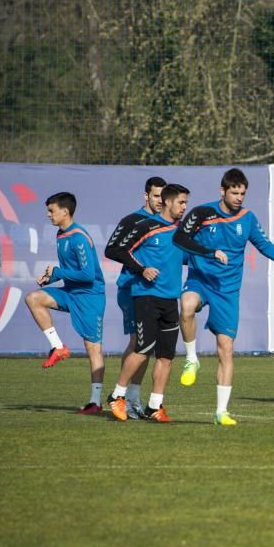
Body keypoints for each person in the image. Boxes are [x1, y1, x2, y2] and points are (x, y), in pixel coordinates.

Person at [175, 168, 274, 426]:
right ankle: (191, 358)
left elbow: (264, 245)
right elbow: (180, 238)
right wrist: (210, 253)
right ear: (222, 191)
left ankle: (221, 412)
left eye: (242, 193)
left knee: (226, 350)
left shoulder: (248, 218)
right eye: (234, 192)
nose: (239, 197)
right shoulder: (202, 213)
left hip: (228, 291)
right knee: (186, 306)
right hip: (200, 280)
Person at [104, 184, 190, 422]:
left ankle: (155, 406)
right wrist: (141, 269)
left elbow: (188, 255)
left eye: (186, 203)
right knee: (142, 350)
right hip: (146, 297)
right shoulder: (145, 226)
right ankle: (116, 395)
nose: (184, 207)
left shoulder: (181, 231)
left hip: (170, 300)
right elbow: (114, 249)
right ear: (168, 202)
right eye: (181, 202)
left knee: (166, 356)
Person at [25, 192, 107, 414]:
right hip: (71, 292)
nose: (48, 215)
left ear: (65, 211)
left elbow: (88, 274)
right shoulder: (61, 235)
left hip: (90, 296)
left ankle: (96, 402)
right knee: (34, 298)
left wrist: (58, 272)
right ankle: (58, 347)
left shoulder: (79, 237)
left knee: (93, 349)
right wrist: (50, 278)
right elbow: (71, 272)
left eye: (51, 211)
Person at [105, 175, 166, 419]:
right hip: (131, 289)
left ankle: (132, 398)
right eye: (155, 196)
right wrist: (140, 268)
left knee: (147, 347)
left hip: (154, 293)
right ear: (146, 196)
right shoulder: (133, 220)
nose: (160, 200)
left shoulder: (166, 222)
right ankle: (121, 398)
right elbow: (111, 249)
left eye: (163, 196)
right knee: (138, 344)